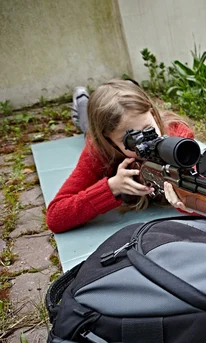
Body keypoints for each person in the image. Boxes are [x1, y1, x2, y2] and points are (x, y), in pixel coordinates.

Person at [46, 79, 197, 233]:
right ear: (109, 141)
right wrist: (111, 187)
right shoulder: (98, 151)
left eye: (148, 129)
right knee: (87, 128)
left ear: (153, 114)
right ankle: (82, 101)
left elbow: (197, 193)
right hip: (96, 136)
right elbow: (55, 216)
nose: (145, 143)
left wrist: (188, 203)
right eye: (131, 140)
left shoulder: (178, 138)